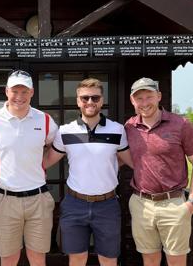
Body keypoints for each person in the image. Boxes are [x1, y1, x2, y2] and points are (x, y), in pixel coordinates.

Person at [43, 78, 133, 266]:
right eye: (85, 98)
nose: (90, 102)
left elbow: (129, 160)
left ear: (101, 100)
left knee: (108, 260)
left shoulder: (117, 130)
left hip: (107, 204)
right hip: (75, 204)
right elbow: (46, 161)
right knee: (77, 259)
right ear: (78, 101)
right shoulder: (65, 132)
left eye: (95, 98)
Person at [0, 70, 58, 266]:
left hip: (38, 199)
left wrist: (43, 163)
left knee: (38, 259)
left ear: (32, 92)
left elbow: (58, 146)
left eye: (24, 91)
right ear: (6, 92)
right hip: (6, 199)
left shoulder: (44, 120)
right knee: (9, 259)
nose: (19, 97)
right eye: (15, 91)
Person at [125, 77, 193, 266]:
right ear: (132, 100)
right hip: (141, 203)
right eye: (139, 98)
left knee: (176, 261)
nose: (144, 103)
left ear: (159, 96)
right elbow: (122, 155)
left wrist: (191, 202)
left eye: (149, 96)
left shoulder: (181, 124)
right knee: (150, 260)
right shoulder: (129, 127)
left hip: (174, 204)